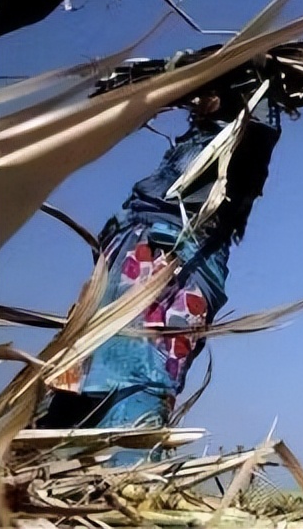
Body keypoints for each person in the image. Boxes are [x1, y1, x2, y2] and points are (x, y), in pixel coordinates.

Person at [35, 70, 281, 464]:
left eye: (209, 91)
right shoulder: (190, 142)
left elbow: (263, 107)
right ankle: (47, 469)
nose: (196, 100)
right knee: (74, 374)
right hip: (125, 268)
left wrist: (231, 67)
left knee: (141, 376)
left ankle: (124, 477)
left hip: (169, 274)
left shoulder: (243, 145)